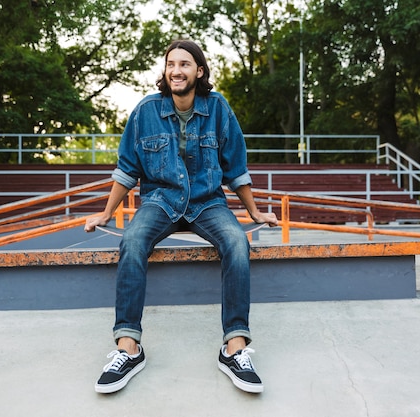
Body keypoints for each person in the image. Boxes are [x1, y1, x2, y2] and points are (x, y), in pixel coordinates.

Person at [84, 39, 278, 394]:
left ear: (199, 71)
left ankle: (234, 347)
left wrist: (254, 212)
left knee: (236, 242)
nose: (176, 70)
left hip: (207, 202)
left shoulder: (219, 109)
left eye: (185, 64)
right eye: (171, 64)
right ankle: (128, 347)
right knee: (132, 240)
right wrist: (105, 212)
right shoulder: (145, 112)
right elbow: (127, 169)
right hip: (161, 200)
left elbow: (236, 168)